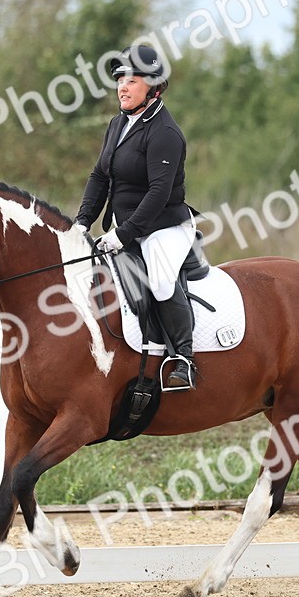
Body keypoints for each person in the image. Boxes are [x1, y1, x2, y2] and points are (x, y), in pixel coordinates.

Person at [75, 44, 199, 391]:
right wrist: (82, 221)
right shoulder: (117, 124)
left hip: (166, 227)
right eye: (120, 80)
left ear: (154, 87)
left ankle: (184, 358)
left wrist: (123, 233)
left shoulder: (165, 132)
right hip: (128, 228)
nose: (122, 88)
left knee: (160, 281)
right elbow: (100, 176)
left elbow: (158, 194)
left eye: (131, 80)